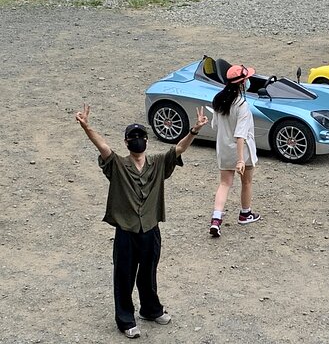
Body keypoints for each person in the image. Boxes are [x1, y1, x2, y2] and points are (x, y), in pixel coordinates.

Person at [75, 103, 208, 339]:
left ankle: (150, 310)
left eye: (141, 136)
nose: (138, 140)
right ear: (126, 142)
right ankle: (125, 320)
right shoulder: (117, 165)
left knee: (149, 272)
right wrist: (87, 127)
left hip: (150, 229)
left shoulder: (157, 163)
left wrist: (194, 130)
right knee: (124, 276)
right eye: (132, 137)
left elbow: (178, 150)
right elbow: (103, 146)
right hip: (126, 231)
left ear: (147, 140)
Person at [209, 64, 261, 237]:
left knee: (224, 183)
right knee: (246, 182)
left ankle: (216, 219)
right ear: (241, 83)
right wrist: (240, 159)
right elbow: (241, 135)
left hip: (223, 149)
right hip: (242, 151)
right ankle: (245, 213)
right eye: (246, 80)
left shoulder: (218, 100)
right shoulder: (242, 105)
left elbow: (215, 125)